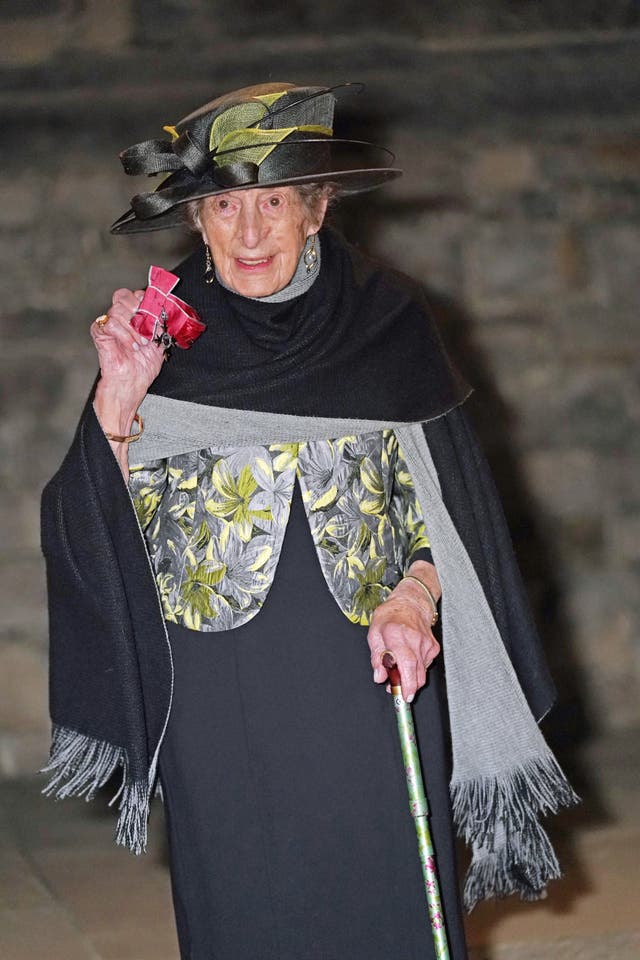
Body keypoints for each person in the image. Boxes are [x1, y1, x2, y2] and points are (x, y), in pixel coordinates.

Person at [41, 82, 577, 960]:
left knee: (388, 906)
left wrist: (415, 597)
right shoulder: (158, 343)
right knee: (249, 917)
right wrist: (117, 406)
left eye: (275, 202)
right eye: (224, 204)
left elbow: (457, 519)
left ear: (317, 208)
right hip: (216, 694)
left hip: (371, 667)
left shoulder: (389, 323)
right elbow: (81, 525)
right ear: (197, 219)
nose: (250, 234)